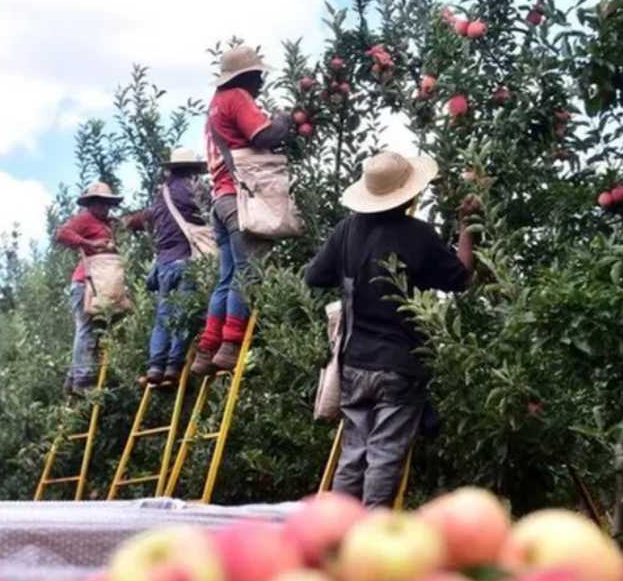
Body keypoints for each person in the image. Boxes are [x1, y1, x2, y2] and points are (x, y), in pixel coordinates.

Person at [304, 151, 480, 508]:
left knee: (354, 451)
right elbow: (461, 277)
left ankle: (338, 528)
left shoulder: (347, 231)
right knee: (384, 452)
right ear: (409, 194)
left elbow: (313, 276)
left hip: (355, 362)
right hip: (399, 364)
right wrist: (467, 227)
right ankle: (372, 534)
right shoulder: (418, 235)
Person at [192, 45, 292, 375]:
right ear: (246, 76)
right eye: (258, 75)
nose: (262, 82)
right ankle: (231, 344)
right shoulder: (236, 97)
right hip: (241, 199)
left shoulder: (214, 106)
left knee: (227, 277)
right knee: (248, 275)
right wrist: (287, 121)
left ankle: (207, 349)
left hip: (220, 201)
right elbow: (263, 135)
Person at [122, 148, 210, 386]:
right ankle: (173, 366)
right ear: (192, 170)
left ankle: (154, 367)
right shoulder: (194, 189)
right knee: (182, 314)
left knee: (163, 316)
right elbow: (210, 212)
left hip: (163, 265)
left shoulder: (161, 194)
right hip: (185, 260)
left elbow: (142, 219)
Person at [54, 182, 123, 394]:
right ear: (91, 204)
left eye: (108, 204)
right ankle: (82, 379)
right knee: (86, 329)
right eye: (101, 203)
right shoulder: (85, 219)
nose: (105, 207)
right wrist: (88, 244)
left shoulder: (105, 224)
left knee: (94, 329)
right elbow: (61, 234)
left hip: (97, 284)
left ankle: (73, 378)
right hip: (85, 283)